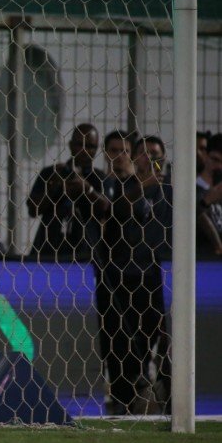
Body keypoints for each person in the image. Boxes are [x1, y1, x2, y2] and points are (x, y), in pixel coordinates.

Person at [97, 135, 172, 415]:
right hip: (124, 276)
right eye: (143, 153)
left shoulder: (171, 190)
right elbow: (113, 213)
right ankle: (128, 397)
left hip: (160, 277)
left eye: (155, 153)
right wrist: (142, 187)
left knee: (161, 337)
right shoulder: (123, 186)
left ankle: (165, 393)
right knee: (126, 342)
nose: (149, 158)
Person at [27, 124, 108, 261]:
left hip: (86, 252)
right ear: (70, 145)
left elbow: (107, 210)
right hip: (48, 249)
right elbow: (33, 210)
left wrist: (87, 189)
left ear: (96, 149)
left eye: (90, 146)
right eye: (79, 144)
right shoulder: (51, 173)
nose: (84, 150)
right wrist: (53, 186)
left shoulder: (100, 178)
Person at [197, 133, 222, 257]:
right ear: (205, 156)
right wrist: (206, 201)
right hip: (200, 264)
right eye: (215, 160)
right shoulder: (189, 190)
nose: (219, 167)